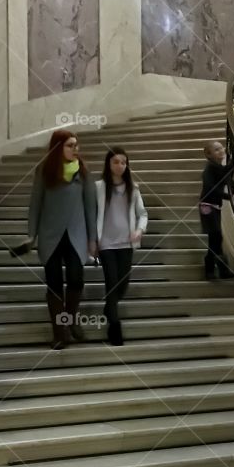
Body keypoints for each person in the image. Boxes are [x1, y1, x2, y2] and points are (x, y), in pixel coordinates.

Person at [26, 129, 97, 350]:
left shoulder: (84, 172)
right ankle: (59, 333)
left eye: (76, 145)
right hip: (50, 236)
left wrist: (93, 239)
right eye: (70, 145)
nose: (75, 149)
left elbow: (90, 208)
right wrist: (31, 235)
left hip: (76, 235)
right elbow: (35, 204)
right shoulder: (44, 171)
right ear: (58, 148)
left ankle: (70, 319)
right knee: (55, 285)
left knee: (76, 279)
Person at [96, 148, 148, 346]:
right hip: (106, 244)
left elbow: (142, 213)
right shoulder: (98, 187)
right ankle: (114, 326)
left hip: (126, 243)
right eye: (116, 162)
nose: (120, 166)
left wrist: (140, 230)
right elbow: (92, 214)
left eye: (123, 162)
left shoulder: (133, 188)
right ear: (109, 164)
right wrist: (93, 240)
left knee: (123, 283)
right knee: (111, 281)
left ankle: (109, 308)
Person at [199, 140, 234, 280]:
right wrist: (229, 197)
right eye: (216, 149)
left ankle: (221, 270)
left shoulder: (218, 167)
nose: (221, 151)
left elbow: (230, 168)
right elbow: (210, 189)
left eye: (221, 148)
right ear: (209, 154)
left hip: (214, 206)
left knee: (216, 238)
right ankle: (211, 269)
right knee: (215, 237)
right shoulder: (209, 168)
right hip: (207, 206)